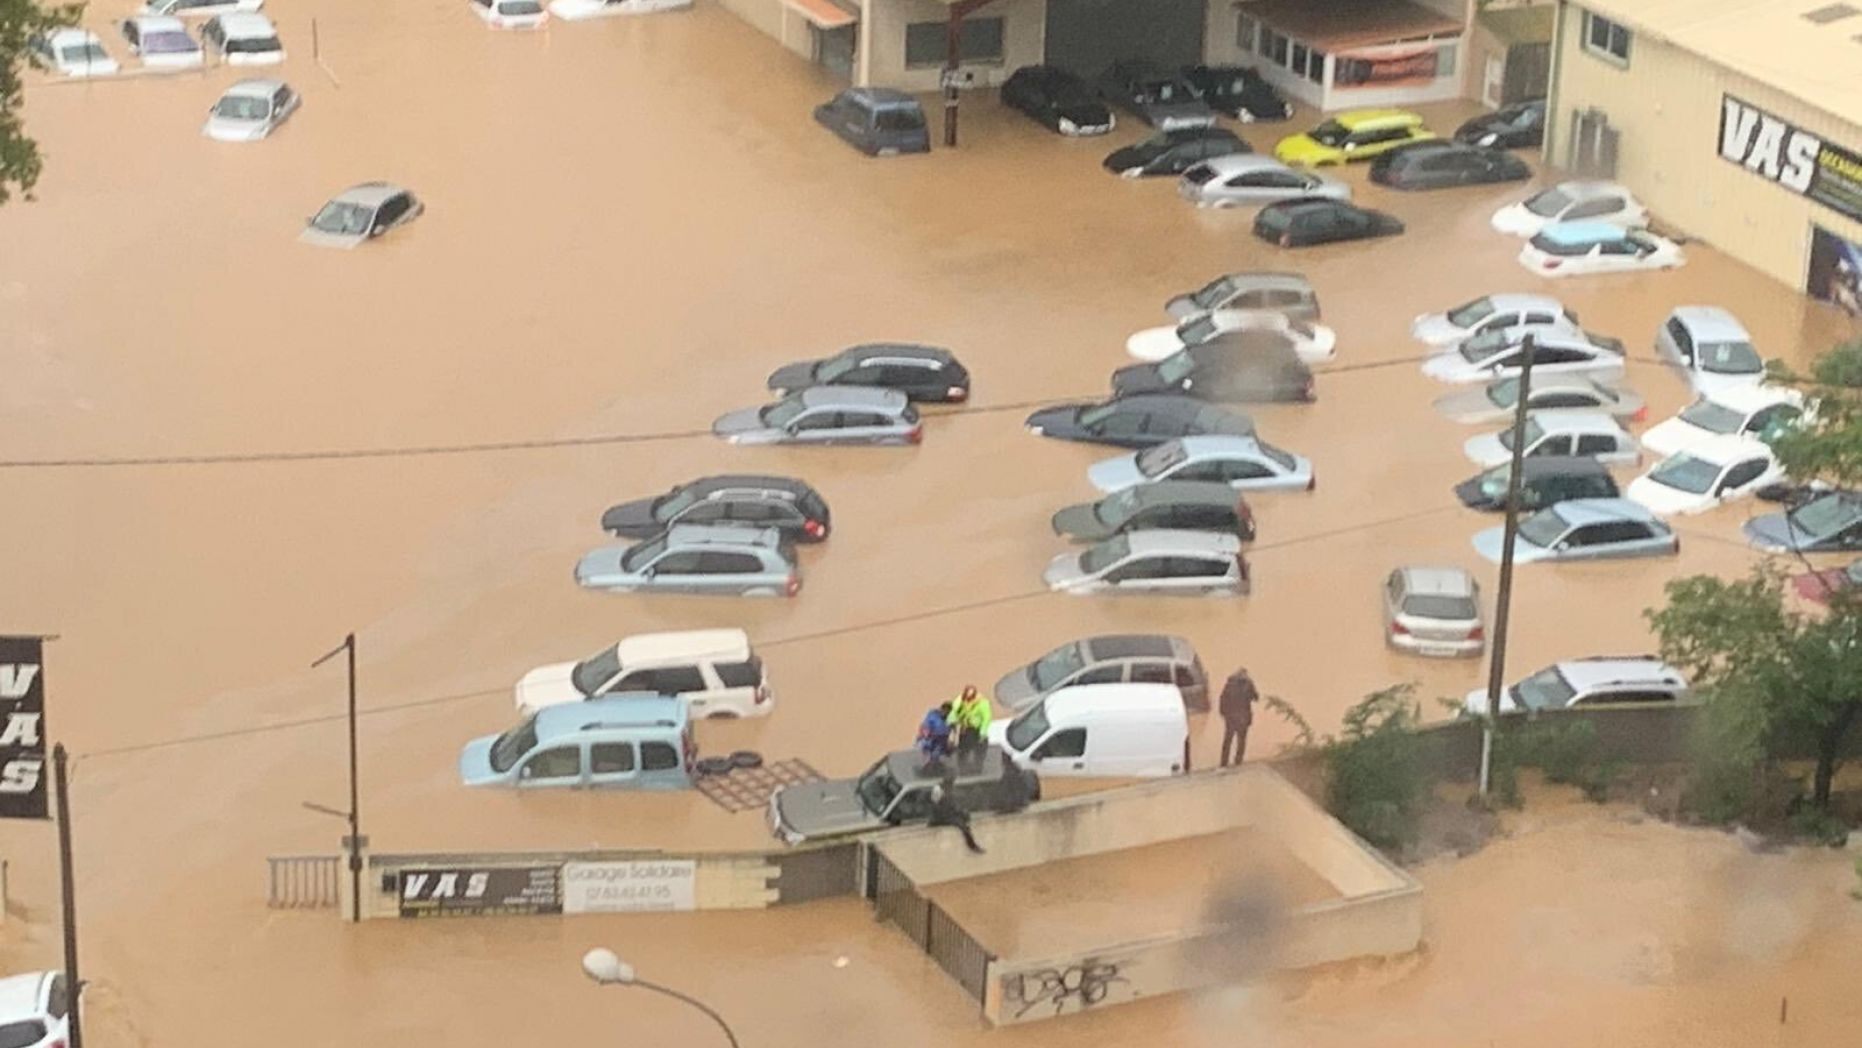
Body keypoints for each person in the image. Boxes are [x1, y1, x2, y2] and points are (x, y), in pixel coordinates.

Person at [927, 778, 985, 854]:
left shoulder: (947, 792)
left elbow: (953, 806)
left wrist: (961, 811)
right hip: (941, 817)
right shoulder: (938, 790)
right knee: (962, 826)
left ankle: (972, 845)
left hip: (947, 816)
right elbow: (936, 807)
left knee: (964, 824)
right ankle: (972, 846)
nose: (951, 787)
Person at [1219, 668, 1258, 768]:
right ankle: (1238, 761)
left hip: (1231, 718)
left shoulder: (1229, 684)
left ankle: (1224, 763)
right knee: (1241, 741)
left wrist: (1223, 714)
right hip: (1242, 718)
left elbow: (1222, 699)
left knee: (1228, 740)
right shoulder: (1248, 684)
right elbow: (1256, 697)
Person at [949, 685, 993, 760]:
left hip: (977, 729)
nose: (968, 698)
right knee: (963, 751)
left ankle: (978, 767)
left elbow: (986, 718)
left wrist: (983, 732)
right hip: (965, 729)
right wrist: (951, 721)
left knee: (980, 750)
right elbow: (954, 712)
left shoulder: (982, 702)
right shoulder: (960, 700)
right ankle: (963, 768)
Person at [916, 703, 953, 769]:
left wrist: (949, 741)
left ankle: (935, 763)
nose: (946, 714)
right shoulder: (933, 715)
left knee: (940, 752)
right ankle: (930, 764)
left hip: (942, 739)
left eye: (948, 712)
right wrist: (925, 734)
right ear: (942, 709)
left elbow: (950, 730)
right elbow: (925, 726)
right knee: (929, 750)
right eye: (945, 711)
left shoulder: (949, 719)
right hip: (931, 738)